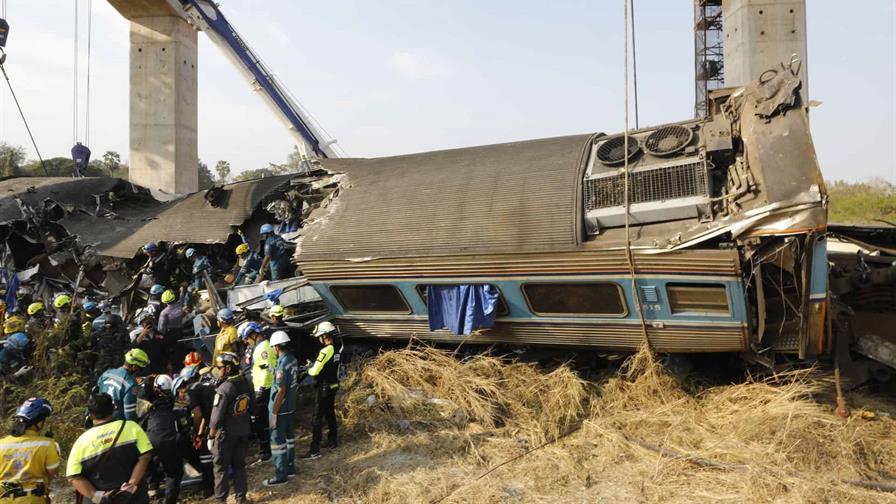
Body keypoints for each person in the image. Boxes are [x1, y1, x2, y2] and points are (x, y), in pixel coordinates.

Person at [67, 393, 153, 504]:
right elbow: (145, 457)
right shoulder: (132, 427)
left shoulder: (81, 442)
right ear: (113, 408)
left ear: (91, 415)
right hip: (135, 498)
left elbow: (73, 477)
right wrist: (131, 485)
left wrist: (96, 496)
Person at [208, 352, 252, 504]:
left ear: (227, 368)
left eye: (219, 367)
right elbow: (253, 408)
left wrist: (211, 436)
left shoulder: (224, 389)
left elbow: (216, 417)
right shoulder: (246, 383)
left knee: (220, 469)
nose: (217, 370)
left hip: (226, 435)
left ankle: (221, 501)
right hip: (243, 431)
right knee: (239, 466)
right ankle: (241, 498)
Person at [0, 397, 60, 503]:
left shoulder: (1, 443)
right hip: (32, 500)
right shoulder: (47, 444)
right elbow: (53, 472)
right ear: (39, 422)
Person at [141, 375, 184, 504]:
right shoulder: (175, 403)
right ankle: (169, 501)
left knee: (150, 462)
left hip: (151, 440)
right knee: (173, 473)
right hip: (170, 440)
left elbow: (141, 422)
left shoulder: (148, 405)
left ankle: (152, 488)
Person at [175, 365, 214, 498]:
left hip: (215, 421)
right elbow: (204, 414)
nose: (181, 397)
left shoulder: (191, 390)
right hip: (219, 419)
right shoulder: (203, 387)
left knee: (204, 453)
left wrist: (196, 432)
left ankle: (208, 487)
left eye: (179, 392)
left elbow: (197, 414)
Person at [265, 330, 298, 485]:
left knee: (277, 441)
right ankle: (290, 468)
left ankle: (280, 474)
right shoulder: (291, 359)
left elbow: (281, 390)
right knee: (289, 438)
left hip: (280, 408)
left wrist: (274, 411)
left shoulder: (282, 364)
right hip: (290, 406)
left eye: (273, 347)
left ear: (277, 347)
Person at [304, 321, 341, 460]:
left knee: (317, 418)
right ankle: (332, 440)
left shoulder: (326, 350)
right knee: (330, 413)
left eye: (319, 336)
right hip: (333, 385)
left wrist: (308, 369)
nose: (318, 339)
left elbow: (314, 371)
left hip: (324, 387)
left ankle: (314, 450)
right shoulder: (337, 347)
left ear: (325, 336)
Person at [240, 322, 274, 464]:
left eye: (247, 338)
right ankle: (264, 451)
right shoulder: (258, 347)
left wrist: (261, 389)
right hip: (259, 387)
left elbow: (267, 369)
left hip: (263, 388)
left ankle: (266, 453)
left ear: (253, 335)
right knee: (260, 422)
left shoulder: (263, 348)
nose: (246, 342)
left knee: (261, 422)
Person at [96, 349, 150, 421]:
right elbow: (129, 414)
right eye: (140, 368)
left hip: (99, 418)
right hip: (116, 423)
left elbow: (95, 393)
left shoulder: (106, 373)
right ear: (134, 367)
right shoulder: (131, 384)